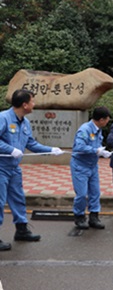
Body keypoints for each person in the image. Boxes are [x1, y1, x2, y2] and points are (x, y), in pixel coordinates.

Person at [0, 89, 63, 251]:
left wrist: (51, 150)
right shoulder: (3, 118)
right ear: (24, 104)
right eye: (32, 101)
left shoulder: (25, 122)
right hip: (1, 167)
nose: (34, 104)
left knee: (18, 198)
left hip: (14, 168)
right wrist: (10, 149)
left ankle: (21, 230)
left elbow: (31, 144)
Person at [70, 106, 111, 230]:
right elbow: (79, 146)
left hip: (92, 166)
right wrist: (96, 150)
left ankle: (94, 216)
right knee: (81, 194)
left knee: (95, 192)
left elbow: (97, 145)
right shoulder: (85, 129)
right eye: (107, 119)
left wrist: (102, 152)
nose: (108, 121)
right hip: (80, 166)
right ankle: (79, 216)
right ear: (101, 119)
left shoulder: (98, 130)